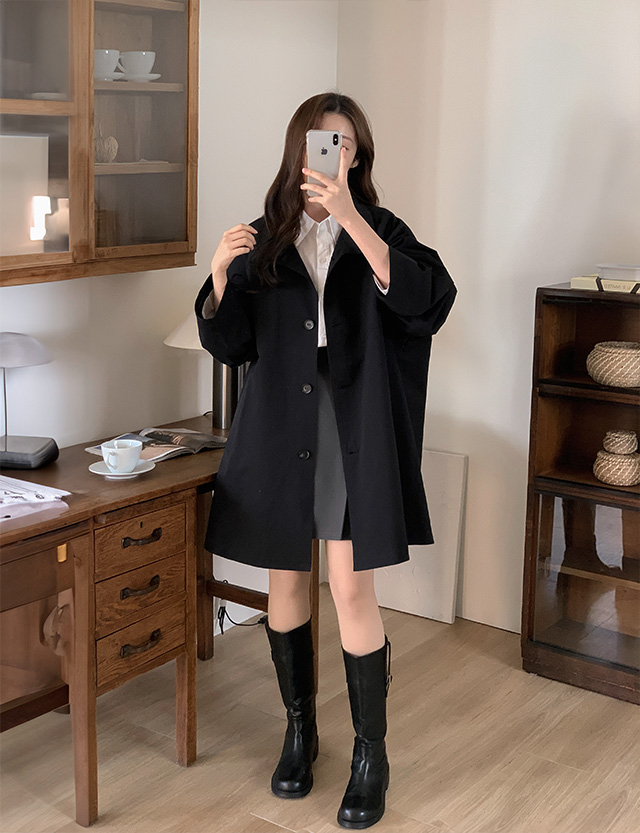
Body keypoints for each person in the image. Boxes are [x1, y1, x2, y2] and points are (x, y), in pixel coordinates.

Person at [195, 92, 457, 829]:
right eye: (320, 140)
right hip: (279, 423)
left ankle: (371, 756)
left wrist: (351, 218)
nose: (332, 153)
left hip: (350, 422)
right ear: (297, 149)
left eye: (344, 143)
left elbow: (429, 301)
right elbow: (230, 343)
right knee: (285, 577)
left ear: (358, 155)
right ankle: (299, 732)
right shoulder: (264, 239)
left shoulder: (382, 229)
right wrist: (219, 277)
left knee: (348, 586)